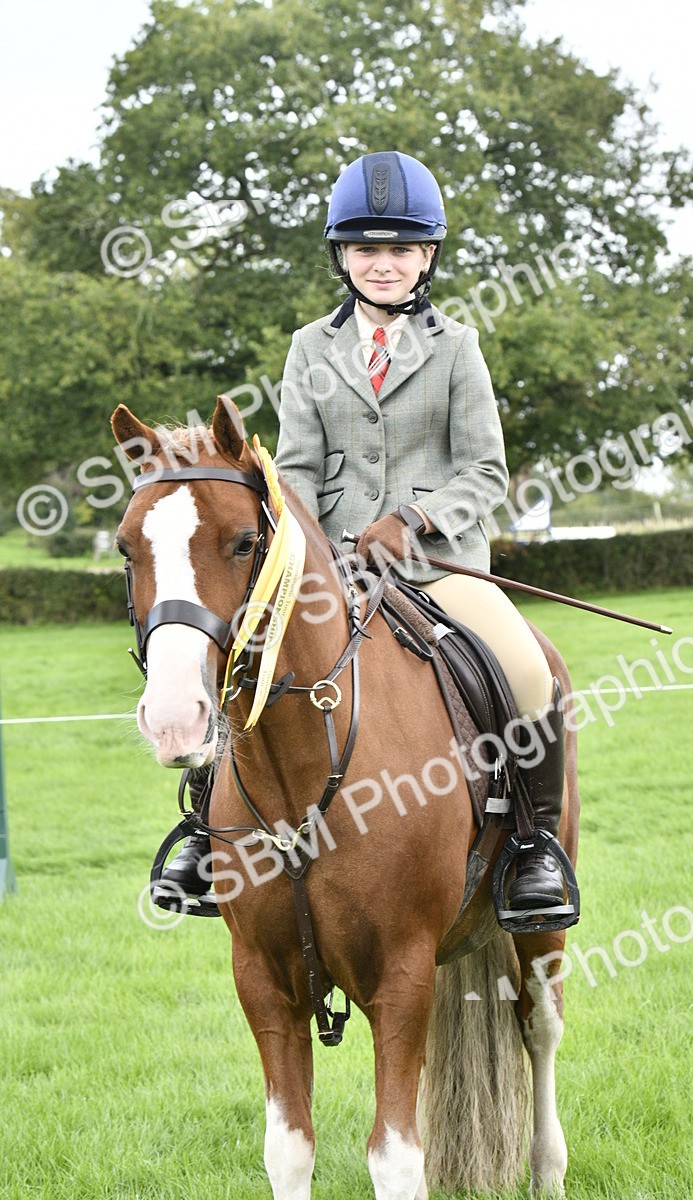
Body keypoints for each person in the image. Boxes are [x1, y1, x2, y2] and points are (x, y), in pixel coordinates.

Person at [162, 150, 575, 918]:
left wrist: (415, 519)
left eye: (401, 249)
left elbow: (486, 473)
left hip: (441, 571)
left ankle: (533, 847)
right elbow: (296, 472)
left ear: (427, 258)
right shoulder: (309, 348)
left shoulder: (459, 348)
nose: (383, 264)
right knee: (232, 663)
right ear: (342, 256)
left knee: (528, 675)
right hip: (333, 573)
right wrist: (317, 550)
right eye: (366, 248)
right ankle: (202, 834)